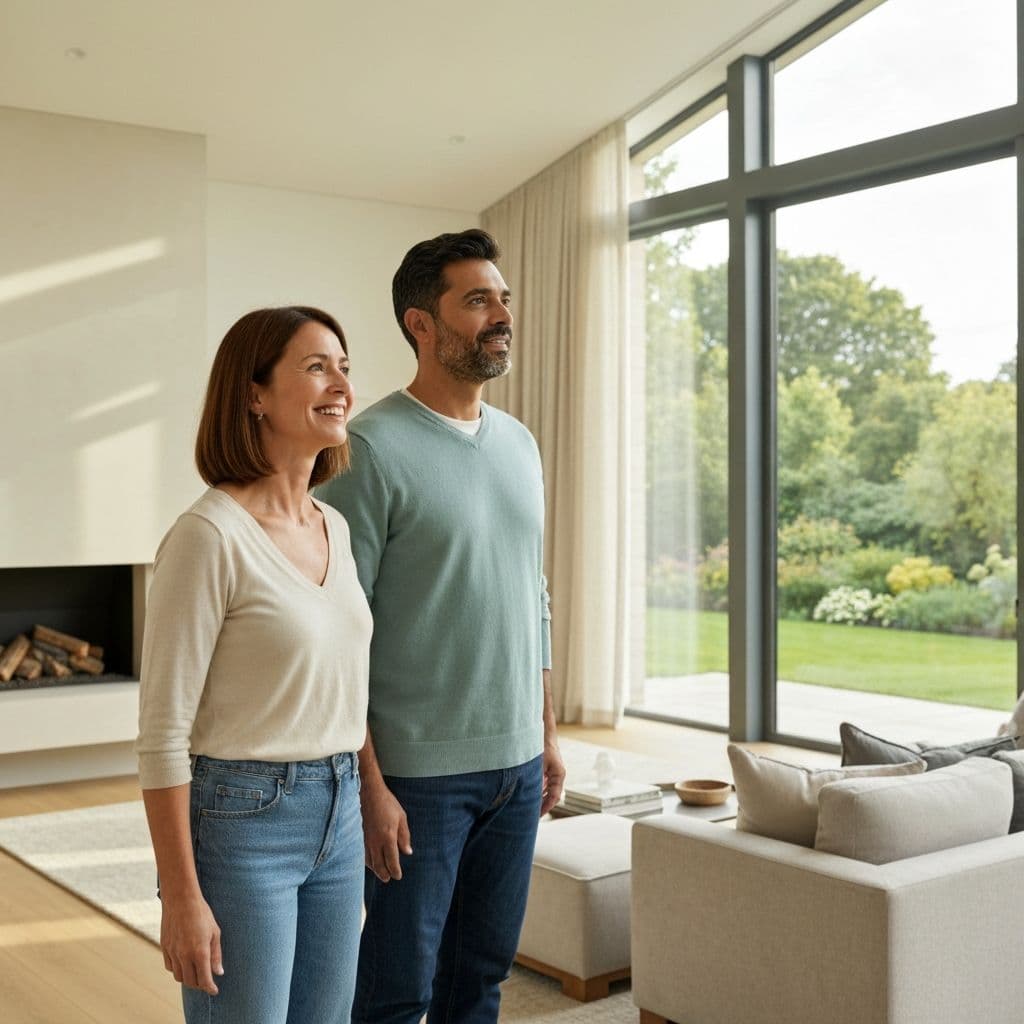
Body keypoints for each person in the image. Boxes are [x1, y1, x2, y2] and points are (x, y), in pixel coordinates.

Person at [318, 228, 565, 1024]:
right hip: (416, 777)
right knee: (397, 990)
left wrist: (545, 732)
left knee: (481, 980)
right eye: (478, 301)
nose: (503, 316)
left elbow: (532, 596)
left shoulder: (520, 444)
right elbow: (335, 631)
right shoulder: (365, 450)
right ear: (421, 324)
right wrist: (369, 785)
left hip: (517, 766)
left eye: (504, 299)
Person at [136, 306, 371, 1024]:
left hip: (341, 812)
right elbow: (161, 734)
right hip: (243, 821)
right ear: (254, 394)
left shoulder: (335, 526)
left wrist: (371, 792)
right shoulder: (208, 536)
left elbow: (341, 686)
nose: (341, 385)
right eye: (316, 367)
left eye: (344, 367)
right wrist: (181, 896)